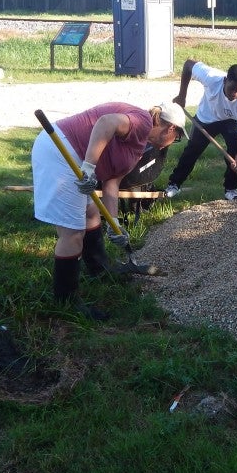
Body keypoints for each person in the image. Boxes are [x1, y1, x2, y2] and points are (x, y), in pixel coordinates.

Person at [31, 101, 186, 319]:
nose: (174, 142)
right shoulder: (141, 121)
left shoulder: (140, 144)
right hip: (61, 152)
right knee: (73, 232)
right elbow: (106, 122)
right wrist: (89, 166)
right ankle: (65, 299)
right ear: (170, 129)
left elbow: (112, 183)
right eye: (177, 137)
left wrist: (115, 224)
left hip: (78, 157)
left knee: (92, 212)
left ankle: (99, 269)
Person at [165, 59, 237, 201]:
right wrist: (182, 95)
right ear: (225, 80)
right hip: (206, 118)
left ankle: (231, 189)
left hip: (230, 120)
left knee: (234, 152)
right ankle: (174, 184)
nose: (235, 94)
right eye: (232, 89)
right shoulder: (211, 77)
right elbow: (188, 65)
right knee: (192, 150)